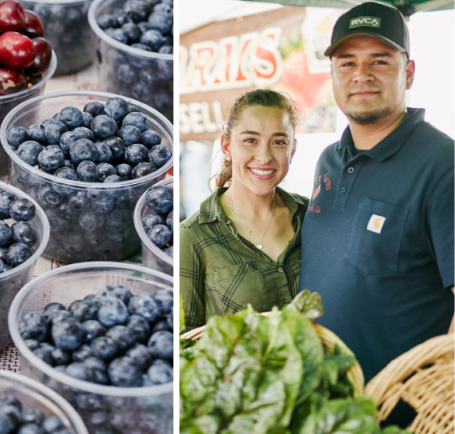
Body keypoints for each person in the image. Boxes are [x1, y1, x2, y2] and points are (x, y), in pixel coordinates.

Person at [299, 2, 453, 386]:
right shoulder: (328, 162)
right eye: (347, 63)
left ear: (409, 72)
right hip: (319, 408)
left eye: (380, 61)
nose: (361, 75)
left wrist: (439, 395)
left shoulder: (443, 164)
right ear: (332, 74)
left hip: (401, 421)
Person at [179, 90, 307, 330]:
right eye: (251, 140)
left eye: (279, 142)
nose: (264, 156)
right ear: (226, 146)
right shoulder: (192, 236)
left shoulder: (310, 215)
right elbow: (184, 343)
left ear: (292, 150)